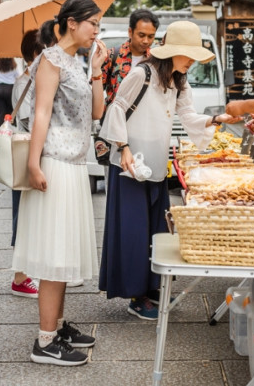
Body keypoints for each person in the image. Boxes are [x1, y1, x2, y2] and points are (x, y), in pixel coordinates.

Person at [98, 20, 241, 320]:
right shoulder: (142, 73)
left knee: (156, 231)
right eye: (187, 54)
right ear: (171, 52)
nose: (190, 61)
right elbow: (116, 108)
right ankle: (137, 297)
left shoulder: (179, 80)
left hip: (156, 163)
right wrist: (122, 147)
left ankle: (152, 289)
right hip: (131, 164)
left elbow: (188, 116)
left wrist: (214, 121)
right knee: (135, 231)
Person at [11, 0, 108, 366]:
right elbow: (41, 113)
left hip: (73, 163)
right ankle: (45, 341)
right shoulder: (50, 59)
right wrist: (34, 164)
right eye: (93, 24)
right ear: (72, 23)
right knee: (55, 254)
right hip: (54, 162)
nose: (96, 31)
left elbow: (97, 111)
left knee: (64, 250)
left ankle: (58, 325)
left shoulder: (74, 61)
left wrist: (96, 70)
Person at [10, 30, 44, 298]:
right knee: (23, 214)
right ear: (35, 53)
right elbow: (30, 122)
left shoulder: (37, 79)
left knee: (35, 214)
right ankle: (20, 277)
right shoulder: (25, 82)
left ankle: (34, 271)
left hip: (37, 152)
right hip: (26, 156)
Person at [101, 9, 160, 110]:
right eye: (141, 35)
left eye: (151, 36)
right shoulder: (111, 55)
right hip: (115, 120)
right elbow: (96, 91)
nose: (146, 41)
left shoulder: (156, 60)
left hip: (145, 120)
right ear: (130, 32)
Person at [0, 58, 19, 127]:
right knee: (11, 110)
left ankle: (2, 128)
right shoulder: (13, 65)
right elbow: (17, 77)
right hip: (10, 89)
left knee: (0, 112)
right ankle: (11, 127)